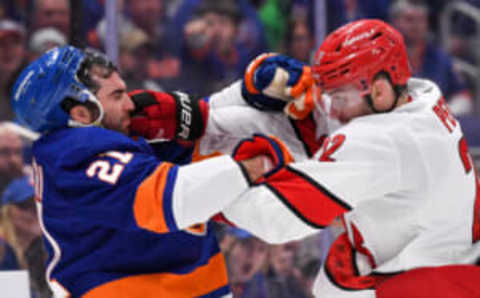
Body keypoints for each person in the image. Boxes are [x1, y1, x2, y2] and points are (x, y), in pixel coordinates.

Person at [11, 45, 323, 297]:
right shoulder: (72, 154)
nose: (130, 104)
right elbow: (170, 198)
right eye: (117, 96)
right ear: (81, 112)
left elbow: (202, 138)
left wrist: (249, 92)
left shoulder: (114, 139)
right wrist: (253, 166)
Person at [221, 19, 480, 297]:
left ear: (380, 91)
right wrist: (306, 98)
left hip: (432, 283)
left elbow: (276, 218)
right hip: (453, 269)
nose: (333, 112)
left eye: (339, 98)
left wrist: (203, 188)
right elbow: (360, 130)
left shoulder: (381, 140)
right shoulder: (420, 98)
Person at [389, 0, 474, 116]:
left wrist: (443, 114)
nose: (416, 25)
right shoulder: (383, 59)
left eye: (421, 20)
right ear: (395, 22)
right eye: (409, 19)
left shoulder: (440, 58)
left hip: (435, 125)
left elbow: (463, 95)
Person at [1, 175, 51, 297]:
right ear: (7, 211)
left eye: (41, 205)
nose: (36, 212)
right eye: (27, 205)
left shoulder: (46, 252)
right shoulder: (2, 250)